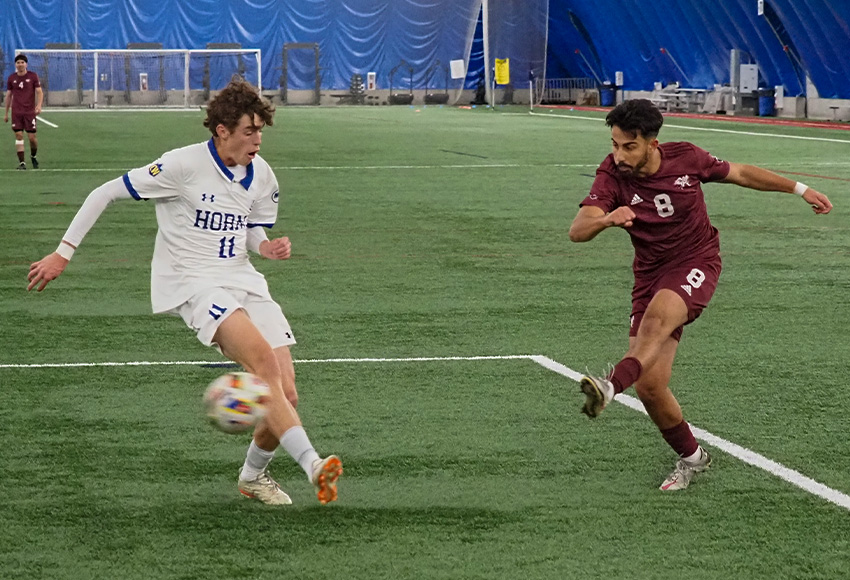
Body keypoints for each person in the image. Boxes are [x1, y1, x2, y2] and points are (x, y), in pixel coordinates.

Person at [27, 79, 342, 506]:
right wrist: (62, 254)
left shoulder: (262, 174)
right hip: (193, 282)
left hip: (244, 278)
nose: (258, 140)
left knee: (285, 393)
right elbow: (105, 193)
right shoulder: (181, 166)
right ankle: (314, 467)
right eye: (249, 131)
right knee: (263, 362)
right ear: (223, 131)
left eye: (261, 130)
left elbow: (250, 227)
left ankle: (253, 477)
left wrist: (265, 246)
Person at [569, 99, 832, 491]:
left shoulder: (687, 158)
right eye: (614, 145)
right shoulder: (612, 173)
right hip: (649, 275)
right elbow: (578, 229)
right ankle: (694, 457)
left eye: (629, 147)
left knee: (657, 321)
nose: (619, 155)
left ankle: (609, 385)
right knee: (651, 385)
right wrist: (607, 219)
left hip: (696, 261)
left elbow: (740, 173)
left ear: (653, 143)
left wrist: (800, 188)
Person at [4, 53, 43, 170]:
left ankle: (33, 155)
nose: (20, 64)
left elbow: (39, 92)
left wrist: (39, 105)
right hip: (16, 112)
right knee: (19, 135)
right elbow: (9, 96)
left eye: (22, 62)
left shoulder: (33, 76)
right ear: (15, 64)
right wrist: (6, 113)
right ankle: (22, 163)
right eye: (18, 62)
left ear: (26, 64)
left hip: (29, 112)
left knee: (32, 137)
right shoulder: (11, 78)